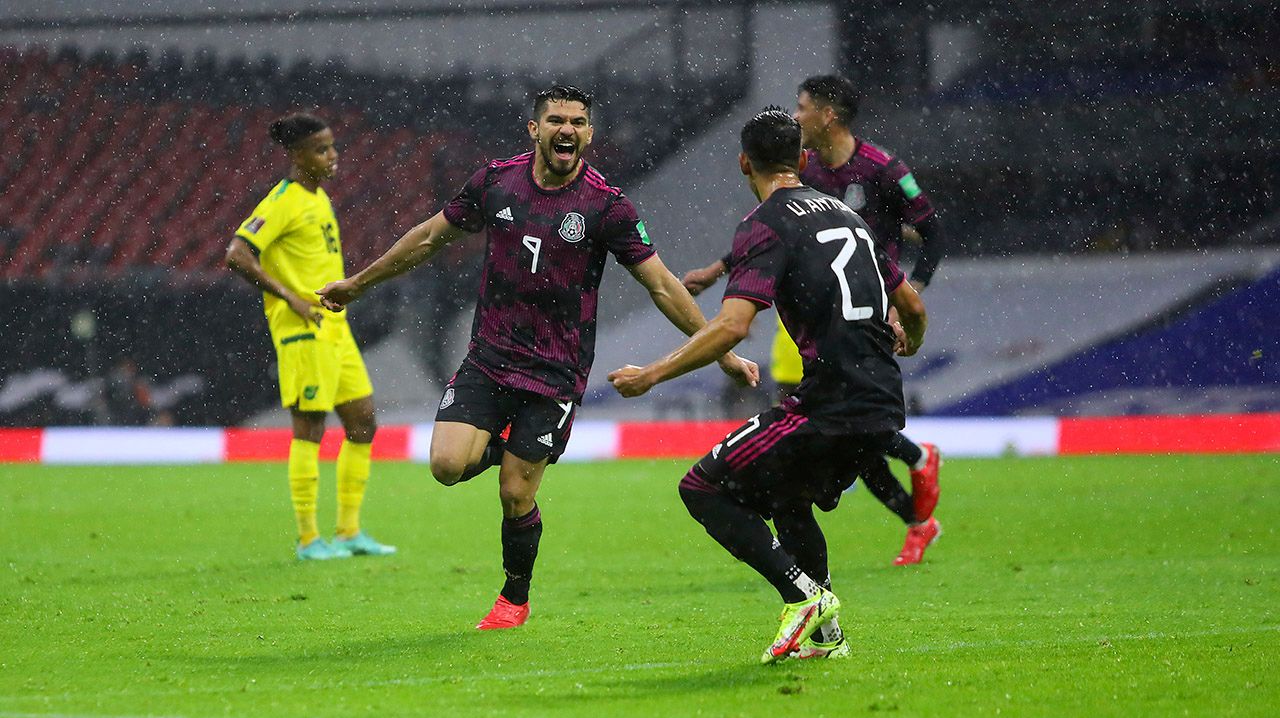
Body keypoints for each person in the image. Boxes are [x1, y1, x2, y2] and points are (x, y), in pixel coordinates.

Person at [316, 84, 758, 630]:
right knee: (446, 466)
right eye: (555, 120)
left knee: (514, 493)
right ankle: (515, 448)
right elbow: (429, 237)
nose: (566, 129)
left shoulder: (607, 206)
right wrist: (359, 284)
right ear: (534, 129)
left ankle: (513, 598)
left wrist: (719, 350)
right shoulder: (496, 182)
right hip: (489, 356)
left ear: (589, 134)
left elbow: (663, 287)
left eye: (577, 121)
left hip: (555, 372)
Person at [609, 108, 927, 662]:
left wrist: (652, 374)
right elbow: (913, 306)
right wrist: (913, 339)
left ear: (743, 163)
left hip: (829, 400)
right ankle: (829, 641)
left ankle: (804, 597)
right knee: (787, 495)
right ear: (803, 160)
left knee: (701, 488)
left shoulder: (766, 223)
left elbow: (733, 324)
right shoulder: (851, 220)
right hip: (882, 400)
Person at [681, 74, 945, 566]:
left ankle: (915, 466)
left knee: (837, 418)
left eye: (802, 108)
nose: (796, 116)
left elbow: (933, 232)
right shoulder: (808, 176)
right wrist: (719, 270)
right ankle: (912, 513)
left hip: (866, 307)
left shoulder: (885, 168)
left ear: (828, 114)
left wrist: (909, 296)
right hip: (807, 305)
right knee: (828, 426)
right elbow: (774, 232)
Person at [226, 113, 396, 562]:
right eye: (322, 149)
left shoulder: (318, 199)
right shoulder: (282, 200)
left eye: (333, 146)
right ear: (297, 156)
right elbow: (237, 254)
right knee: (310, 432)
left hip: (335, 329)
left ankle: (349, 531)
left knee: (363, 424)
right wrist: (293, 300)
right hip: (303, 331)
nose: (333, 155)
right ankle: (307, 540)